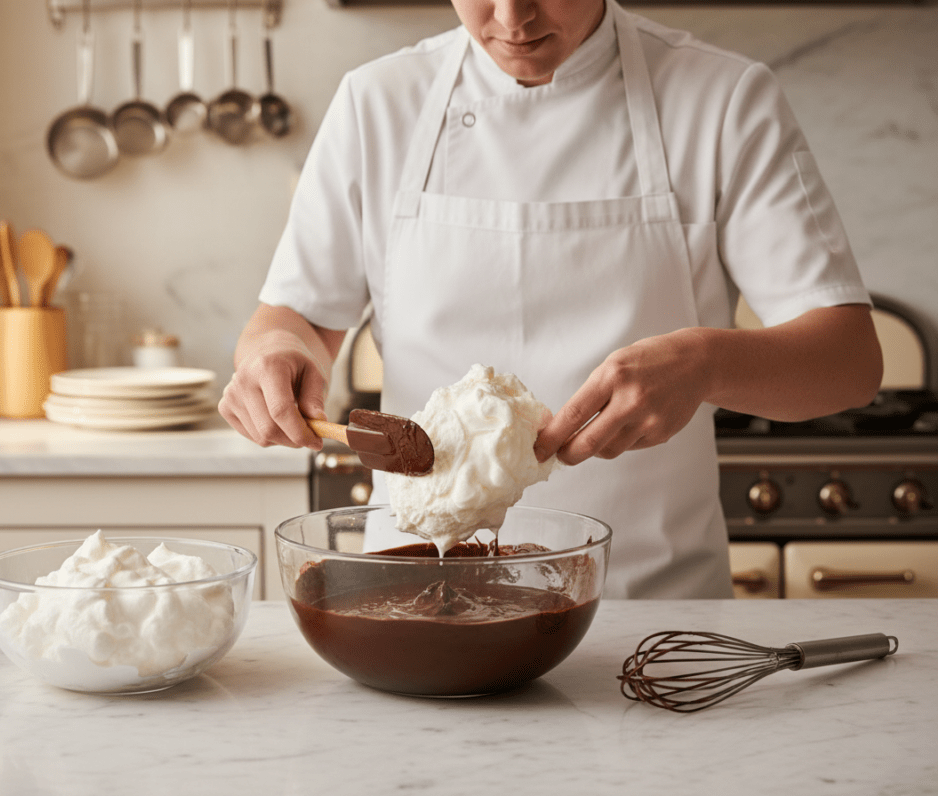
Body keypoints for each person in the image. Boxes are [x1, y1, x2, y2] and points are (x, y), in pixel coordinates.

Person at [219, 0, 882, 598]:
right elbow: (297, 316)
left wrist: (706, 360)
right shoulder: (377, 103)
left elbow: (849, 362)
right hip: (414, 595)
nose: (512, 18)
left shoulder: (723, 100)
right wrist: (275, 350)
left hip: (645, 608)